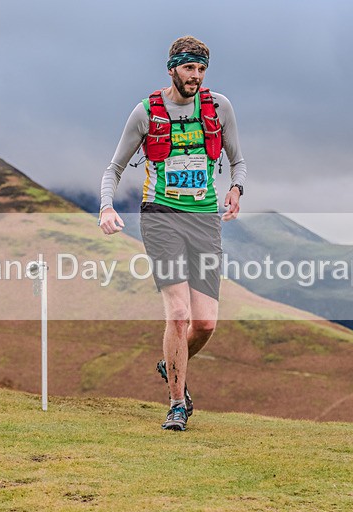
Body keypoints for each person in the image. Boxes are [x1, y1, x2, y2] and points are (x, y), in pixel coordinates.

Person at [99, 36, 247, 431]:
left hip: (204, 219)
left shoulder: (219, 107)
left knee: (206, 324)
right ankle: (177, 405)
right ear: (172, 68)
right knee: (178, 314)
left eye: (201, 70)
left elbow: (239, 161)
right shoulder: (147, 111)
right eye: (188, 69)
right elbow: (113, 168)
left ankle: (171, 364)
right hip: (160, 215)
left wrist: (236, 189)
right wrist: (106, 206)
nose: (195, 76)